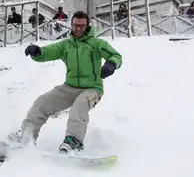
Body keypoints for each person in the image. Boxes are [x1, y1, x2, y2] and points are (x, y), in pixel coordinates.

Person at [8, 11, 123, 155]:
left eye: (82, 26)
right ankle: (27, 135)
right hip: (69, 87)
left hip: (93, 89)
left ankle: (73, 142)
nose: (78, 29)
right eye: (76, 25)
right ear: (71, 25)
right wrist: (37, 52)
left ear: (88, 26)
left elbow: (116, 55)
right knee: (42, 102)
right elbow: (48, 52)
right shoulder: (66, 45)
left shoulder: (97, 43)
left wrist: (111, 64)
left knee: (80, 106)